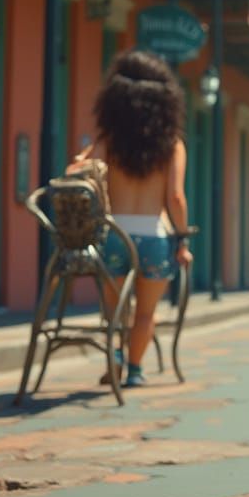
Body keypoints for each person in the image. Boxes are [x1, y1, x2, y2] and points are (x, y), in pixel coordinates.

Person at [86, 50, 191, 388]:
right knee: (146, 313)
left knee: (114, 311)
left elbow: (85, 175)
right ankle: (134, 369)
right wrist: (182, 240)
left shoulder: (108, 142)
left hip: (114, 234)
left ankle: (114, 355)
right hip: (154, 239)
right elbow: (175, 198)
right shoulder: (171, 145)